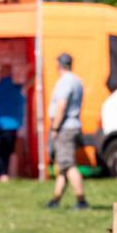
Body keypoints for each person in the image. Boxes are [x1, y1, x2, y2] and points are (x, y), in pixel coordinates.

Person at [47, 52, 87, 210]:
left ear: (58, 65)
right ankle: (55, 200)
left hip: (65, 127)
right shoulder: (77, 81)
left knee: (68, 165)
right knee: (63, 166)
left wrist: (55, 127)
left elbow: (61, 105)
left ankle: (81, 201)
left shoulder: (65, 82)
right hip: (73, 125)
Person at [0, 64, 30, 181]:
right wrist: (31, 73)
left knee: (3, 150)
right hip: (7, 125)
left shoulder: (5, 85)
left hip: (6, 125)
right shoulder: (5, 84)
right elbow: (24, 86)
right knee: (4, 150)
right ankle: (2, 174)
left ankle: (1, 173)